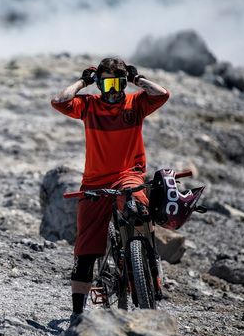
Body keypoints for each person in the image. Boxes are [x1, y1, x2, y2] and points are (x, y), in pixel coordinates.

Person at [51, 57, 169, 320]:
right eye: (107, 84)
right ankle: (77, 314)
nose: (114, 90)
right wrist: (83, 82)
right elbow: (59, 101)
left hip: (129, 177)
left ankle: (149, 272)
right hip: (94, 184)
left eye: (119, 83)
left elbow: (162, 94)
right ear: (99, 85)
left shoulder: (136, 103)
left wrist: (139, 79)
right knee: (85, 252)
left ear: (126, 84)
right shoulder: (89, 105)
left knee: (137, 211)